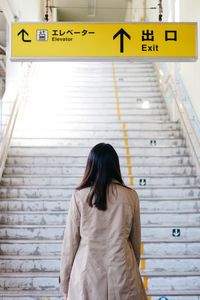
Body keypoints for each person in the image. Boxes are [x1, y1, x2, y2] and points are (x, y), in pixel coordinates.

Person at [59, 143, 147, 300]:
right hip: (123, 272)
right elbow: (135, 241)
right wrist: (132, 269)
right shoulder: (131, 196)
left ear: (90, 166)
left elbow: (70, 243)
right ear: (115, 165)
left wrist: (65, 284)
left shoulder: (79, 196)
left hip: (86, 274)